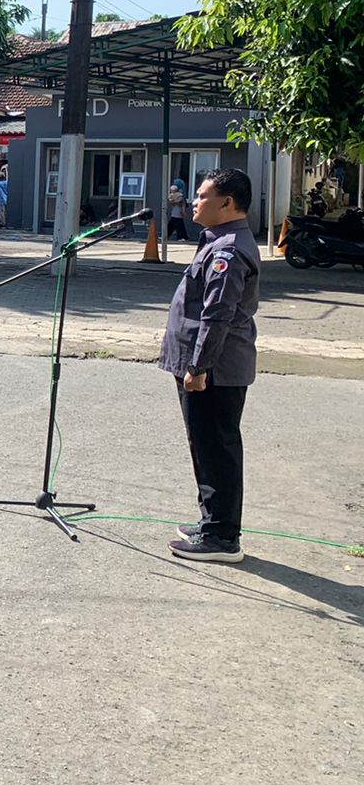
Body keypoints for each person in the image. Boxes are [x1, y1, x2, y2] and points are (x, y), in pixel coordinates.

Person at [159, 168, 261, 564]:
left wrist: (198, 367)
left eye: (202, 196)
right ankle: (212, 522)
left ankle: (222, 538)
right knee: (204, 444)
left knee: (216, 447)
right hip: (208, 366)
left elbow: (217, 315)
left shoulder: (228, 251)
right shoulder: (217, 241)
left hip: (215, 370)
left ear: (228, 203)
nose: (194, 202)